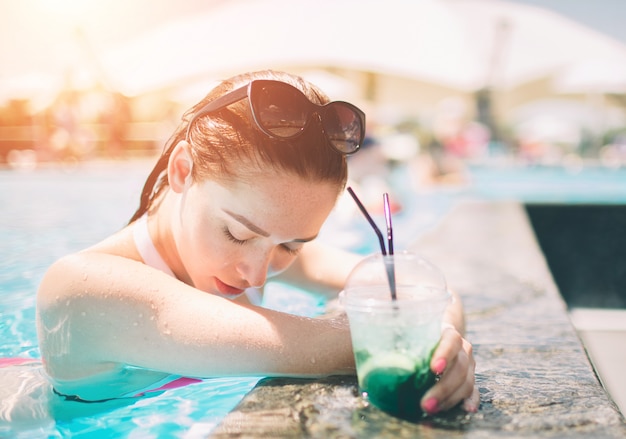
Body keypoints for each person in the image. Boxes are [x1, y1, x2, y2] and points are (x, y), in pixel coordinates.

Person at [36, 70, 478, 415]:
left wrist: (442, 345)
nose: (257, 273)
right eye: (238, 233)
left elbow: (414, 284)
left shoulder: (259, 249)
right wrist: (424, 334)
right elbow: (332, 344)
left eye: (292, 246)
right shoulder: (79, 290)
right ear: (182, 171)